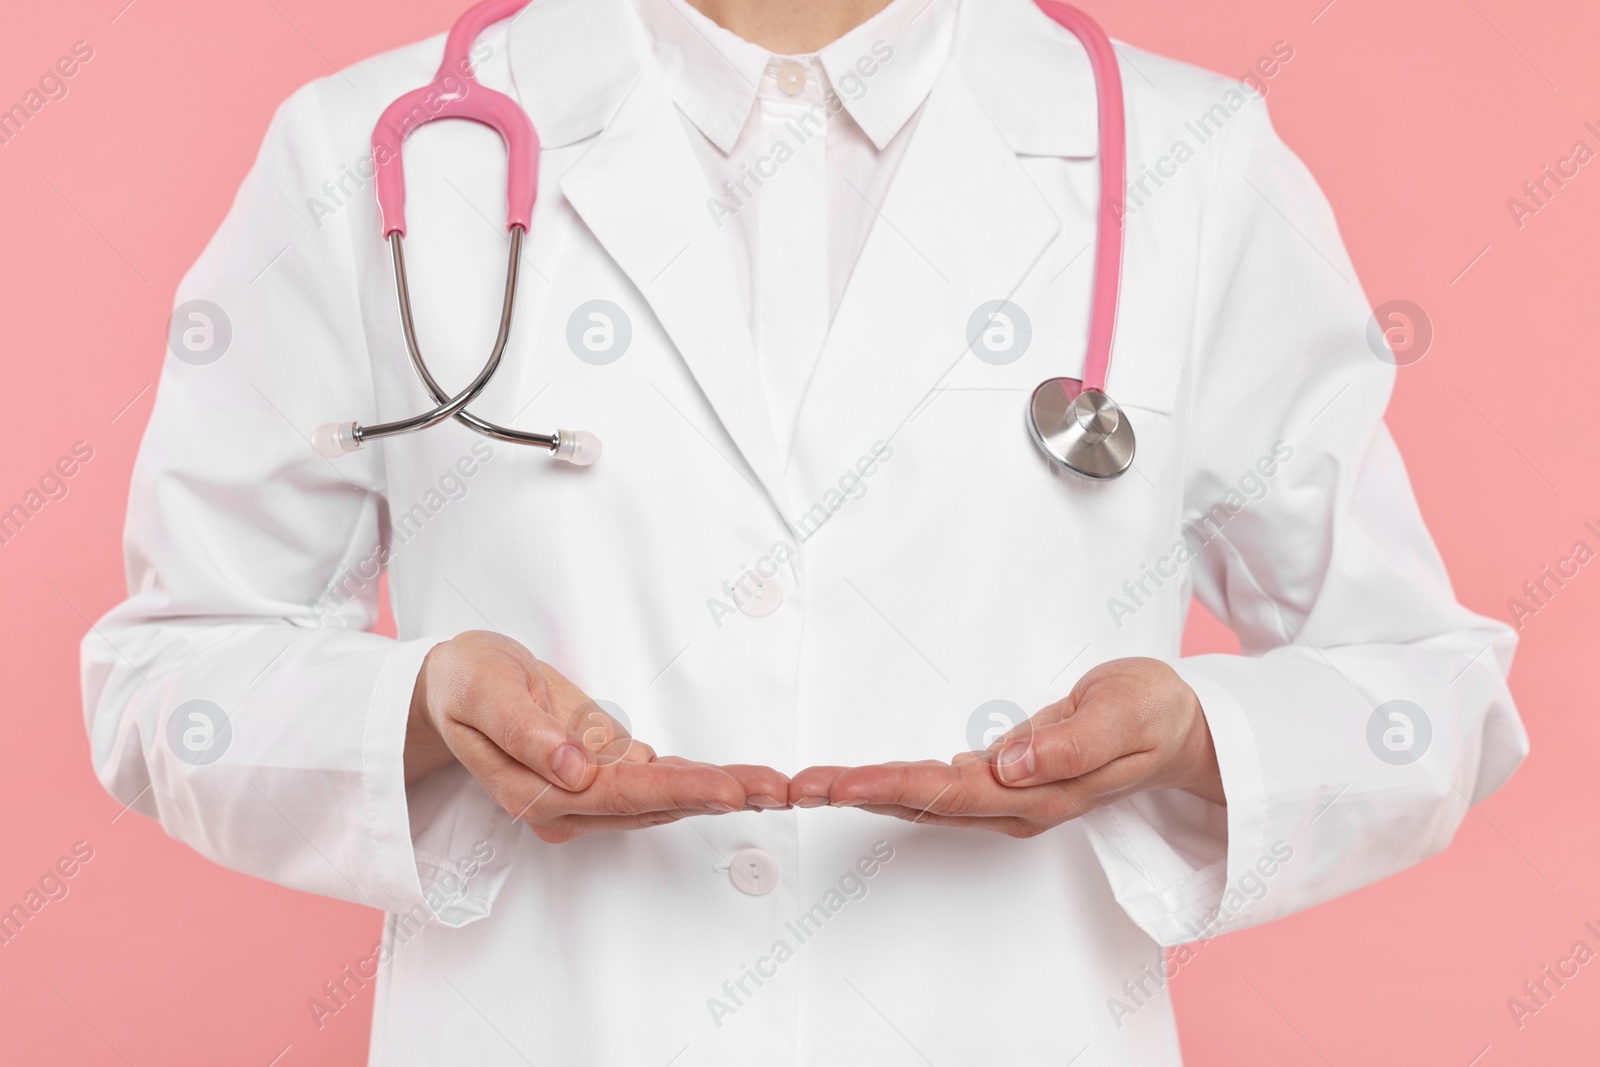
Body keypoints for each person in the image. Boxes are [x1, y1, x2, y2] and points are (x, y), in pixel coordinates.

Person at [82, 0, 1527, 1062]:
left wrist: (1193, 734)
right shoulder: (372, 151)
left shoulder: (1187, 158)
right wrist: (420, 703)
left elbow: (1424, 687)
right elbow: (172, 675)